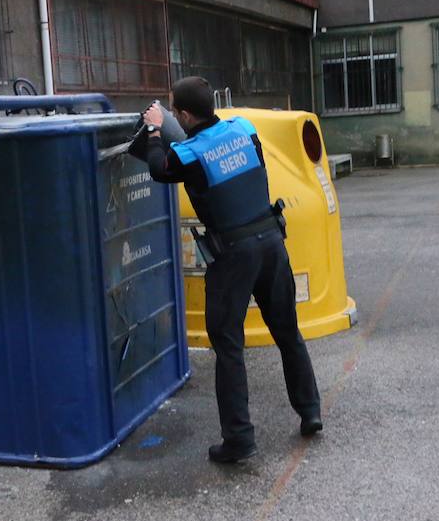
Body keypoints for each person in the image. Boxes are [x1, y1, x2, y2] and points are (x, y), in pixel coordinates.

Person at [132, 76, 322, 464]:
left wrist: (154, 129)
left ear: (182, 115)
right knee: (287, 332)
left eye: (175, 113)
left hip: (234, 255)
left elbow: (158, 168)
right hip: (272, 243)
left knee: (229, 345)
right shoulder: (245, 129)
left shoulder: (190, 153)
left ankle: (239, 438)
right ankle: (310, 411)